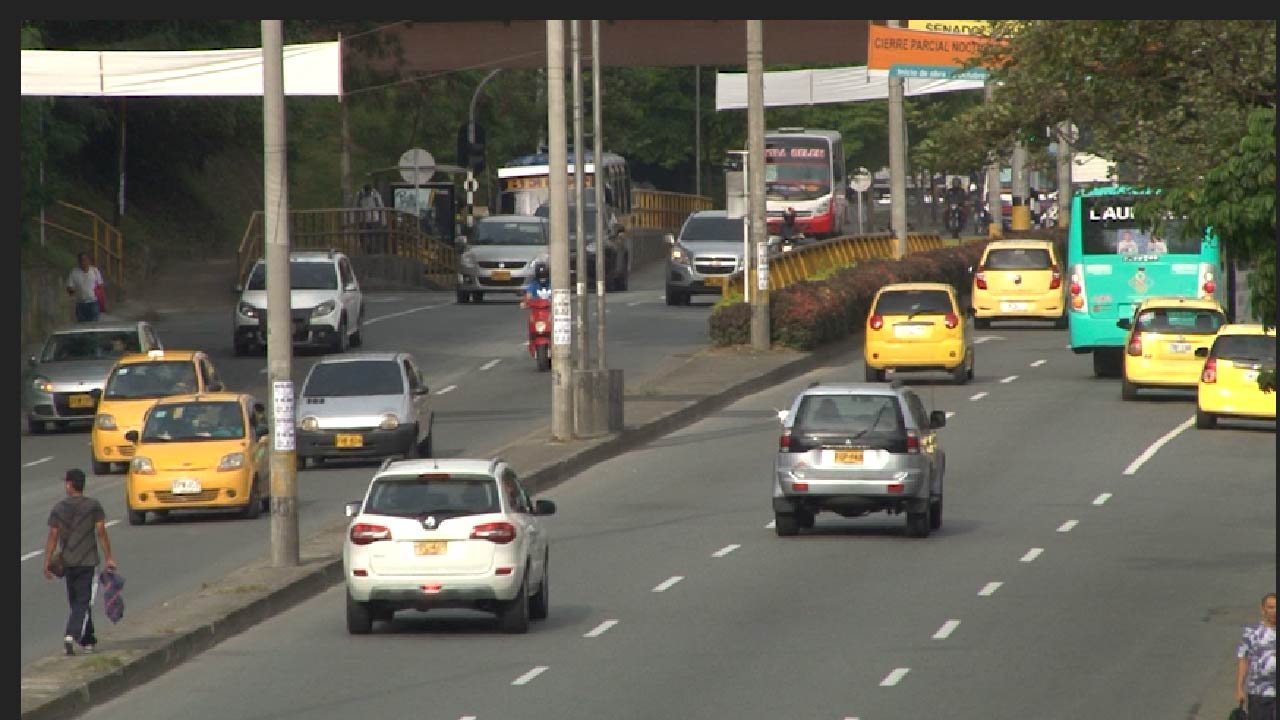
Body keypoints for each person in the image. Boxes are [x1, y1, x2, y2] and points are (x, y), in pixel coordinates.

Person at [44, 469, 117, 655]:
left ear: (69, 485)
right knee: (84, 602)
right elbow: (101, 532)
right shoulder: (93, 506)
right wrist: (109, 557)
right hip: (88, 561)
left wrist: (47, 561)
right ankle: (71, 634)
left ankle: (88, 640)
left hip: (68, 562)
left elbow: (53, 536)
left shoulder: (59, 508)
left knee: (77, 601)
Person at [1237, 592, 1277, 719]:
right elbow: (1243, 659)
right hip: (1258, 694)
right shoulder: (1252, 632)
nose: (1274, 611)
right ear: (1263, 610)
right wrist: (1239, 687)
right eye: (1270, 607)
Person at [66, 252, 105, 323]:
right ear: (79, 262)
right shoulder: (74, 272)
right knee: (82, 325)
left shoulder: (95, 271)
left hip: (93, 303)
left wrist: (101, 298)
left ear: (89, 260)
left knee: (94, 324)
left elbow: (101, 285)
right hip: (80, 304)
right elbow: (69, 287)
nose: (83, 262)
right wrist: (72, 292)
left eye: (85, 259)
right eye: (81, 260)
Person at [354, 183, 386, 254]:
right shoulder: (359, 195)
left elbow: (381, 207)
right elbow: (356, 207)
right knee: (363, 237)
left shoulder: (375, 195)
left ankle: (374, 251)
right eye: (367, 192)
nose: (368, 193)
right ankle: (366, 251)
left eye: (369, 191)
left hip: (374, 219)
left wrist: (383, 221)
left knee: (374, 236)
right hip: (363, 220)